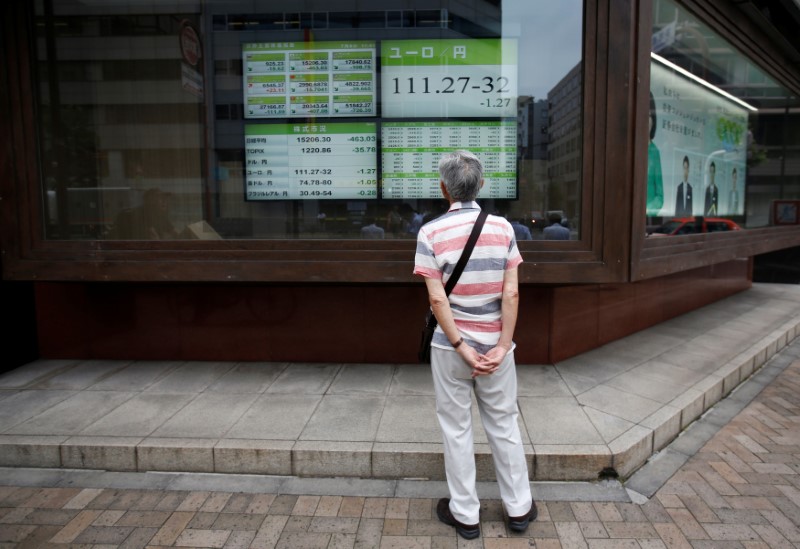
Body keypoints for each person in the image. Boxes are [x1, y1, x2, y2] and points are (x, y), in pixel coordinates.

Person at [413, 150, 536, 540]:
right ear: (480, 185)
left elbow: (437, 299)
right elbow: (511, 295)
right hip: (497, 347)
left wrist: (462, 346)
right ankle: (518, 509)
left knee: (456, 428)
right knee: (504, 424)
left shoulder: (430, 233)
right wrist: (501, 346)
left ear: (443, 188)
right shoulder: (503, 229)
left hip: (450, 348)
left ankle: (465, 514)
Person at [646, 92, 663, 216]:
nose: (647, 120)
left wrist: (646, 211)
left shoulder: (654, 152)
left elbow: (660, 196)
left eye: (649, 115)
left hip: (646, 221)